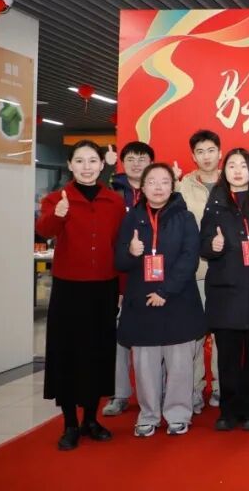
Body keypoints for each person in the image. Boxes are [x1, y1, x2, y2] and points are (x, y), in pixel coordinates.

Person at [36, 140, 125, 450]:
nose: (87, 167)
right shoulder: (56, 199)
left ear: (102, 165)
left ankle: (91, 419)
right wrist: (58, 214)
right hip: (69, 289)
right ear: (70, 165)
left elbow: (119, 247)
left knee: (98, 354)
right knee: (67, 354)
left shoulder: (114, 202)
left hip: (104, 287)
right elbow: (44, 230)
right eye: (80, 161)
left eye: (92, 161)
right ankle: (70, 423)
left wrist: (122, 289)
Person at [116, 163, 205, 437]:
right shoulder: (131, 219)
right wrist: (131, 252)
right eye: (152, 182)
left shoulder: (185, 217)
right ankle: (148, 414)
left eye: (164, 181)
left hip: (178, 300)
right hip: (142, 302)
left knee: (180, 364)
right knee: (145, 364)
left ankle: (178, 413)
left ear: (173, 186)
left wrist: (165, 291)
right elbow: (119, 261)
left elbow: (189, 259)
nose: (158, 187)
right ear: (142, 187)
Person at [199, 149, 249, 432]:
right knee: (228, 357)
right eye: (231, 165)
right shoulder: (216, 201)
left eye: (243, 165)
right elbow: (203, 243)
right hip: (226, 290)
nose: (237, 171)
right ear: (225, 170)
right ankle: (228, 410)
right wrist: (213, 246)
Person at [103, 140, 154, 418]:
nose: (136, 163)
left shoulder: (159, 190)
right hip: (119, 275)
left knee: (156, 335)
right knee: (119, 339)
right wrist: (105, 170)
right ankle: (119, 393)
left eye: (142, 158)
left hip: (153, 276)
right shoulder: (112, 190)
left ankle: (157, 392)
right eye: (131, 158)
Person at [177, 129, 222, 412]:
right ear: (193, 156)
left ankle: (219, 387)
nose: (206, 157)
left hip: (225, 272)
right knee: (193, 335)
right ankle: (193, 389)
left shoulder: (231, 182)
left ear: (220, 152)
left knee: (221, 335)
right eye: (200, 152)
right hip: (194, 272)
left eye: (211, 150)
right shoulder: (183, 186)